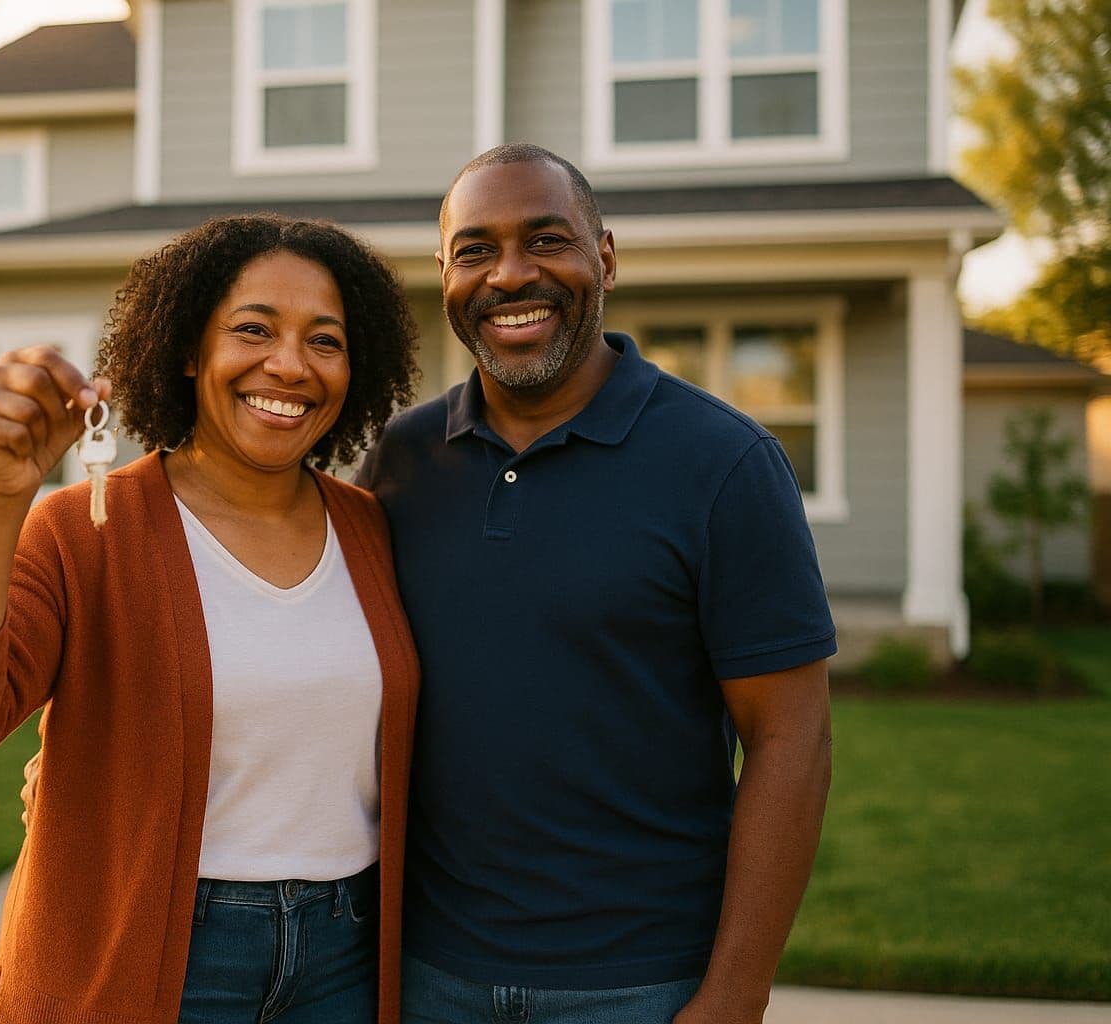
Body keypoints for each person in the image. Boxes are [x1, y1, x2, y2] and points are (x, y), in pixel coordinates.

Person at [0, 214, 420, 1024]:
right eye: (252, 329)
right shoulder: (84, 530)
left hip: (345, 962)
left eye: (326, 340)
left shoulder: (375, 530)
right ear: (186, 349)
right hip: (154, 964)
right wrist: (0, 494)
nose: (289, 364)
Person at [353, 145, 836, 1024]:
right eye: (475, 250)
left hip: (642, 983)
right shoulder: (399, 461)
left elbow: (791, 738)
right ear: (445, 274)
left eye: (547, 240)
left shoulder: (724, 463)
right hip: (428, 973)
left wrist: (735, 994)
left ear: (604, 257)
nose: (510, 274)